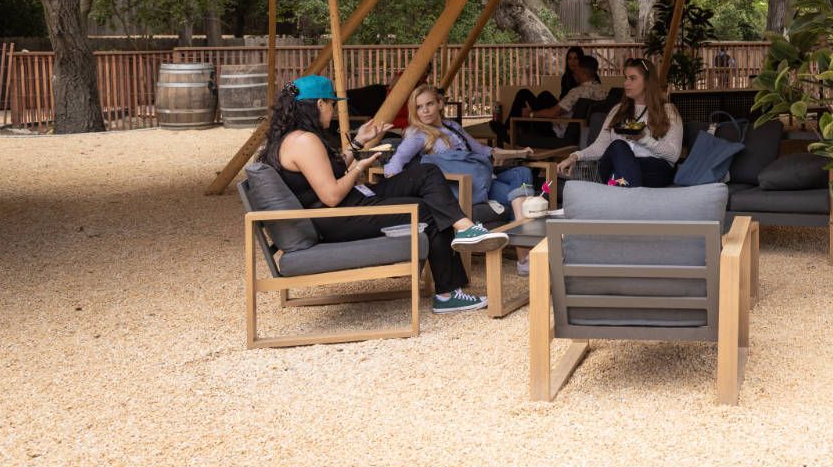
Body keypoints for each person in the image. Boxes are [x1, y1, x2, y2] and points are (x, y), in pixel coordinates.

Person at [259, 75, 503, 315]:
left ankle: (466, 228)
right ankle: (448, 294)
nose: (332, 111)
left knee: (426, 173)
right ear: (319, 104)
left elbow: (327, 172)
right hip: (340, 216)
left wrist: (358, 143)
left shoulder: (295, 138)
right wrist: (358, 170)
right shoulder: (304, 141)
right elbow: (331, 196)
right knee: (427, 210)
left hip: (351, 202)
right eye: (332, 104)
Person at [387, 83, 537, 209]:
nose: (425, 110)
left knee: (522, 172)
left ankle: (519, 220)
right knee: (524, 201)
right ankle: (522, 223)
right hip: (465, 184)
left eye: (429, 104)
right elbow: (397, 161)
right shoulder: (418, 134)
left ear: (439, 104)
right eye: (419, 107)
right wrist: (394, 187)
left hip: (481, 174)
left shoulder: (452, 126)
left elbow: (483, 150)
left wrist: (519, 153)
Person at [557, 58, 683, 188]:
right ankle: (623, 190)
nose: (626, 83)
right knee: (618, 147)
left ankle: (607, 184)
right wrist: (575, 157)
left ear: (647, 81)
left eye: (632, 78)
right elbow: (600, 146)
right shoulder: (618, 110)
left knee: (616, 159)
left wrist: (644, 139)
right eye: (626, 78)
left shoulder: (668, 111)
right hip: (622, 168)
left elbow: (673, 155)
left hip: (654, 170)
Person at [518, 56, 609, 141]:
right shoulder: (602, 91)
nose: (574, 72)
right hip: (584, 131)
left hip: (559, 131)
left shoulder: (577, 92)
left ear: (582, 72)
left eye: (576, 69)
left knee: (524, 94)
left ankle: (516, 132)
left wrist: (531, 114)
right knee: (544, 95)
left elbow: (552, 113)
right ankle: (514, 129)